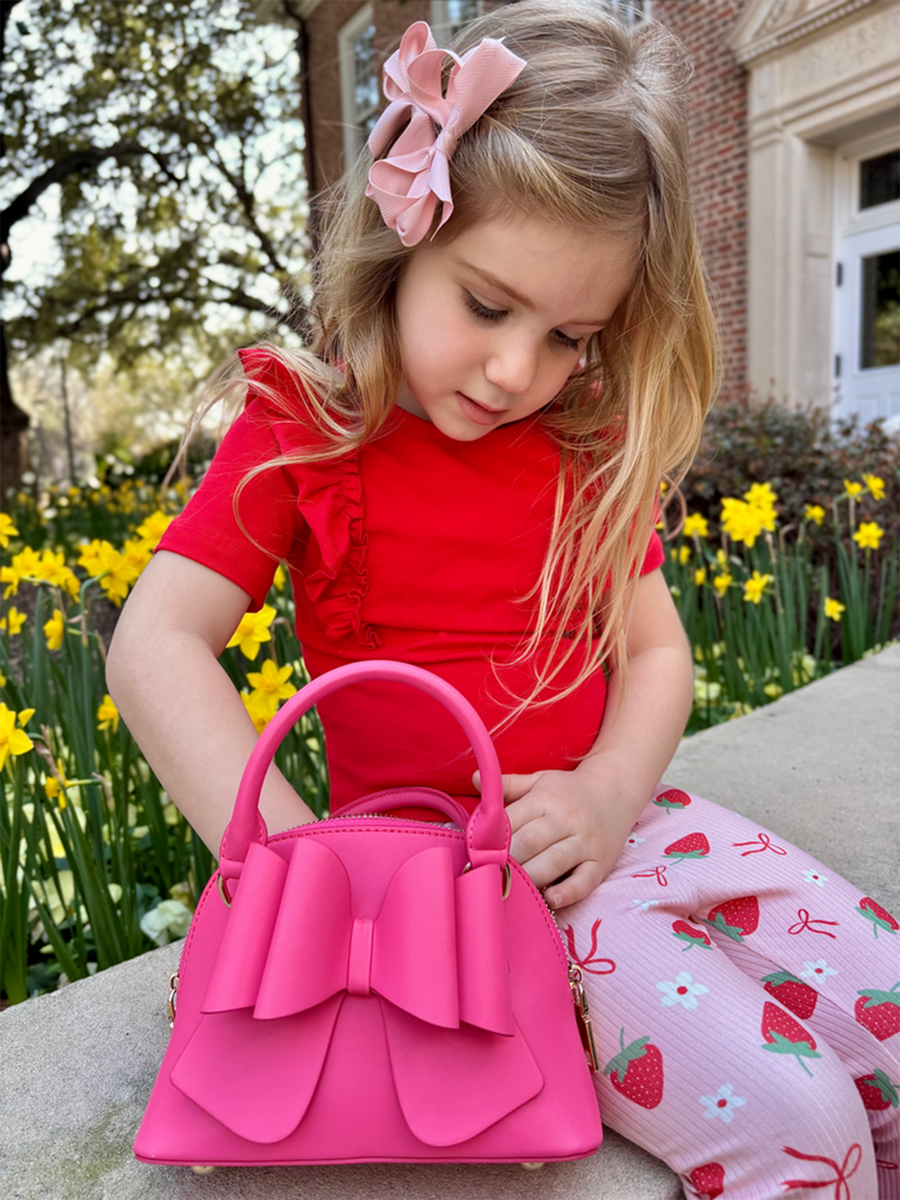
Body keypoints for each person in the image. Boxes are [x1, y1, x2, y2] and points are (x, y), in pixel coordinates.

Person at [107, 4, 900, 1196]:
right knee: (798, 1121)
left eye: (571, 333)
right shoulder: (307, 433)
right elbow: (158, 641)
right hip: (470, 893)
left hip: (630, 819)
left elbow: (654, 654)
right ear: (403, 240)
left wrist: (609, 788)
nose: (517, 370)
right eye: (486, 305)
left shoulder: (583, 444)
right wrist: (289, 866)